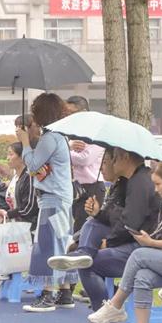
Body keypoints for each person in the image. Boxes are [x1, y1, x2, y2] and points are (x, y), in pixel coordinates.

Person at [84, 161, 162, 323]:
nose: (156, 190)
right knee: (142, 276)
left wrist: (152, 242)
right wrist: (156, 243)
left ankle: (115, 305)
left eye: (158, 184)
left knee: (138, 254)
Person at [58, 148, 161, 323]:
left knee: (89, 265)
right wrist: (98, 213)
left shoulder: (140, 183)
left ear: (125, 157)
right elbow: (116, 219)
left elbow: (130, 224)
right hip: (132, 242)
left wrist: (109, 242)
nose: (109, 165)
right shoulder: (128, 181)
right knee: (93, 223)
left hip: (142, 249)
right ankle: (83, 252)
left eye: (111, 160)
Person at [15, 93, 76, 312]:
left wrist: (24, 142)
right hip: (61, 197)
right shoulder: (60, 136)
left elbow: (32, 165)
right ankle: (65, 292)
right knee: (62, 243)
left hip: (52, 198)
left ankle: (48, 294)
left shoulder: (50, 138)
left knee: (49, 244)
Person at [0, 140, 40, 300]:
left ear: (22, 157)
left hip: (29, 227)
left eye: (11, 154)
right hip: (16, 223)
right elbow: (12, 205)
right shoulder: (15, 177)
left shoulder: (29, 177)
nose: (7, 157)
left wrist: (7, 214)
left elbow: (30, 208)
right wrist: (1, 216)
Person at [65, 96, 106, 232]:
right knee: (73, 229)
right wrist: (68, 147)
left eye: (71, 113)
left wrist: (64, 153)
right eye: (66, 113)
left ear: (83, 112)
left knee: (83, 230)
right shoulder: (69, 134)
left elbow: (85, 159)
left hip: (91, 187)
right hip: (73, 187)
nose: (68, 117)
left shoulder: (96, 133)